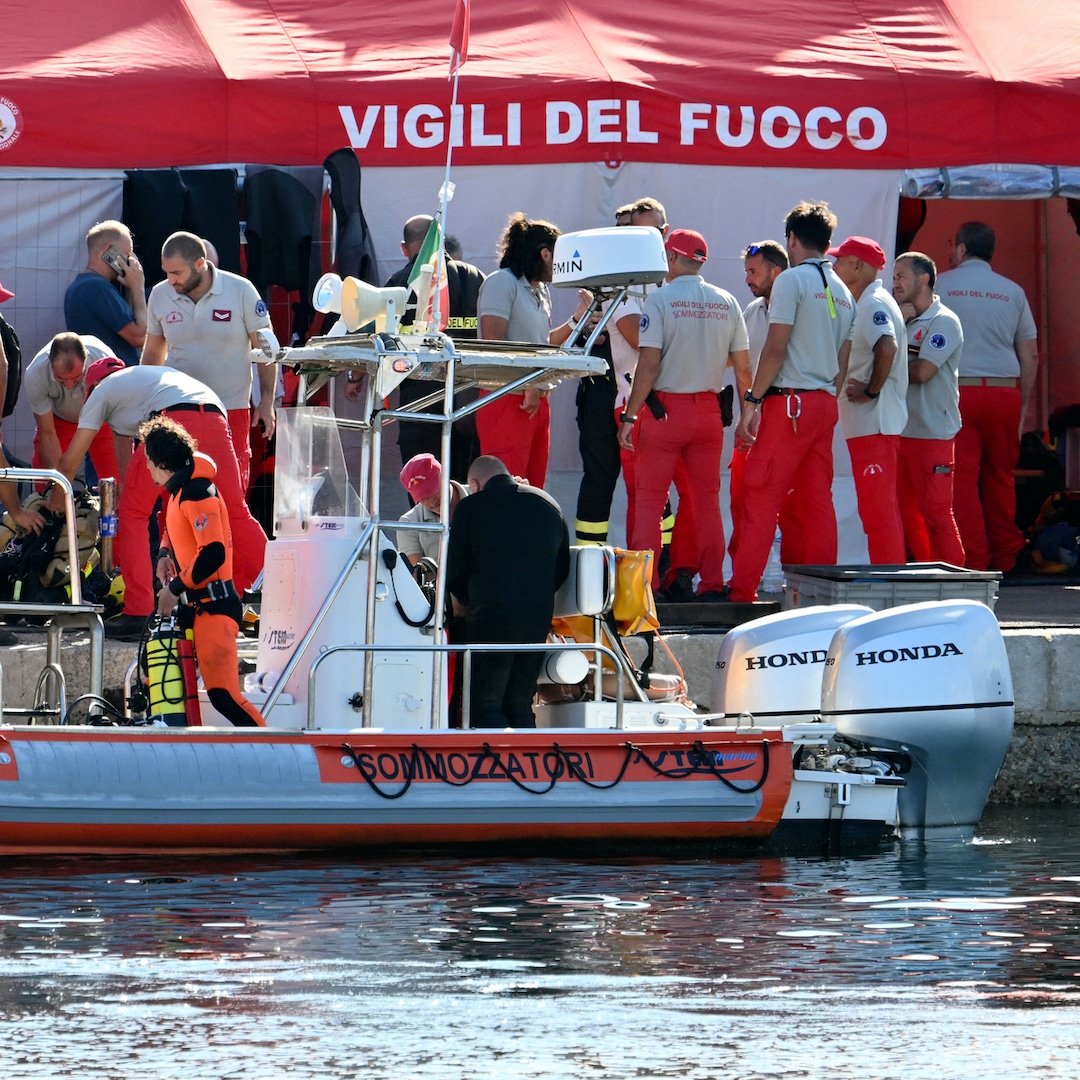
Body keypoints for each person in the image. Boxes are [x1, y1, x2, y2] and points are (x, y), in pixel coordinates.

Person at [46, 360, 268, 640]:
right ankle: (288, 586)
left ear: (90, 388)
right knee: (235, 512)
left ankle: (138, 611)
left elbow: (70, 461)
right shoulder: (139, 385)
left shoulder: (101, 393)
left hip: (172, 418)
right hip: (214, 414)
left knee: (132, 515)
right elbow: (130, 461)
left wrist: (56, 501)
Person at [727, 201, 856, 602]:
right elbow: (844, 359)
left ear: (793, 239)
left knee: (761, 495)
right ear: (828, 243)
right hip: (822, 403)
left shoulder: (791, 281)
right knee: (816, 503)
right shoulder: (844, 291)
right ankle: (816, 595)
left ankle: (742, 593)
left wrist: (752, 401)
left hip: (789, 404)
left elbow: (775, 347)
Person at [616, 229, 749, 599]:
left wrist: (630, 416)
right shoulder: (727, 301)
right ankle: (712, 583)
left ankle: (646, 588)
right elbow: (742, 366)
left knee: (649, 502)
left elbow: (649, 362)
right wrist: (747, 412)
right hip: (708, 413)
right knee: (707, 502)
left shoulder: (660, 300)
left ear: (672, 258)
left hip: (665, 413)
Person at [140, 415, 265, 728]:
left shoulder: (197, 492)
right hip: (197, 606)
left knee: (224, 695)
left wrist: (173, 589)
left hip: (215, 605)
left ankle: (271, 748)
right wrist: (165, 553)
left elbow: (213, 552)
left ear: (160, 463)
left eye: (148, 459)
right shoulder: (180, 491)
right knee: (153, 672)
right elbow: (175, 528)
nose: (147, 466)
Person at [936, 222, 1039, 573]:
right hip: (1004, 391)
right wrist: (1021, 409)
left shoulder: (940, 286)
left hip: (958, 391)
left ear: (961, 249)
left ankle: (974, 561)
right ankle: (1007, 557)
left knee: (961, 482)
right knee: (1001, 478)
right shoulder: (1013, 292)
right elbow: (1030, 356)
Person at [141, 231, 274, 492]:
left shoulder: (241, 290)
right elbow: (152, 355)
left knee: (231, 494)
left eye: (177, 273)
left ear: (200, 264)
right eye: (166, 273)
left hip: (230, 409)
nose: (170, 280)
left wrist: (267, 400)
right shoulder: (159, 294)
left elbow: (266, 350)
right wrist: (144, 406)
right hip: (177, 411)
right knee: (174, 493)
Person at [446, 455, 570, 728]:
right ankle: (528, 754)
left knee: (485, 704)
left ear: (474, 484)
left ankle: (492, 756)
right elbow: (562, 569)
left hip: (490, 616)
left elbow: (454, 573)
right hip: (537, 618)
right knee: (520, 703)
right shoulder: (549, 505)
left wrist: (471, 602)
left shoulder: (470, 508)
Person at [476, 212, 591, 488]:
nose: (563, 267)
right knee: (506, 490)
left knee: (533, 489)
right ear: (545, 255)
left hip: (534, 399)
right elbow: (494, 345)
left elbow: (542, 343)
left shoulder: (540, 289)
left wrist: (577, 319)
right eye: (560, 258)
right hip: (506, 400)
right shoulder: (501, 282)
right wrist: (529, 383)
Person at [381, 214, 487, 484]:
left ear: (404, 248)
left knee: (423, 489)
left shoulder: (399, 283)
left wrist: (354, 377)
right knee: (465, 486)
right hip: (469, 401)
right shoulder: (475, 277)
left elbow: (379, 341)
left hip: (419, 404)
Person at [830, 236, 909, 564]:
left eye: (840, 260)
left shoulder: (873, 303)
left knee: (878, 511)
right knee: (877, 509)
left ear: (857, 266)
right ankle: (888, 576)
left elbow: (886, 346)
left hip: (874, 423)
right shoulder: (869, 301)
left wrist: (871, 391)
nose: (834, 266)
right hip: (871, 424)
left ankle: (888, 579)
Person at [891, 252, 966, 565]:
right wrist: (900, 324)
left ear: (923, 280)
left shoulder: (944, 321)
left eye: (901, 277)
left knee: (936, 514)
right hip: (903, 431)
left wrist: (885, 369)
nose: (895, 283)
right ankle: (927, 577)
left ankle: (955, 581)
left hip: (933, 433)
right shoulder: (902, 319)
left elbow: (923, 372)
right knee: (908, 518)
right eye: (894, 277)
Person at [730, 240, 788, 562]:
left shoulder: (797, 306)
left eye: (753, 272)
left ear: (775, 272)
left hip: (783, 419)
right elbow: (738, 361)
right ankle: (743, 572)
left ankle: (779, 571)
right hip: (749, 423)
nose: (747, 279)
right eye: (746, 272)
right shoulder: (752, 310)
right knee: (741, 499)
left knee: (780, 502)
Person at [25, 333, 121, 482]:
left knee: (118, 483)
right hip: (60, 423)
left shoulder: (106, 363)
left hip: (104, 420)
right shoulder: (35, 374)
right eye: (60, 378)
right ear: (49, 361)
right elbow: (48, 434)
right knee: (47, 482)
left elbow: (120, 426)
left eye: (76, 378)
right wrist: (57, 484)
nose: (69, 386)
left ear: (86, 360)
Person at [63, 221, 147, 366]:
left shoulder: (79, 286)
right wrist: (138, 287)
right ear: (108, 251)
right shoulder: (97, 287)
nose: (131, 261)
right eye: (127, 254)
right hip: (114, 374)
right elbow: (140, 337)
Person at [395, 452, 468, 566]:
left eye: (431, 491)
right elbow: (420, 574)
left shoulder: (481, 497)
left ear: (444, 475)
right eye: (422, 497)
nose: (431, 503)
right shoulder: (408, 524)